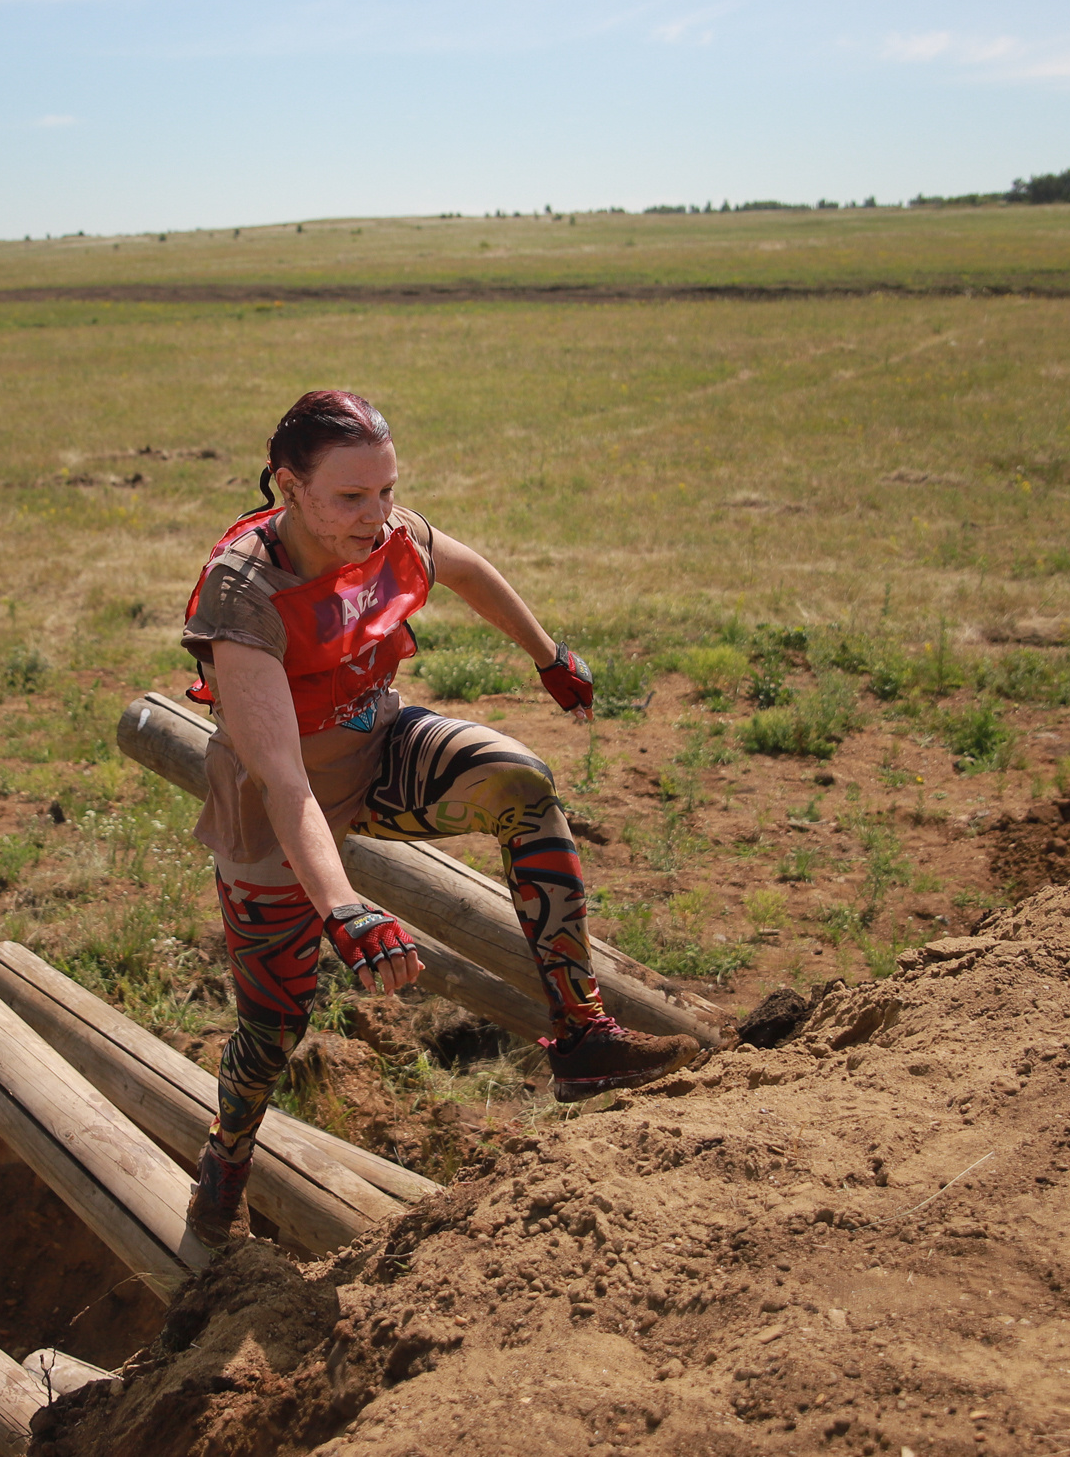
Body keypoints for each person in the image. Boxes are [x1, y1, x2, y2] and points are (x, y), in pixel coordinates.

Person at [175, 390, 700, 1245]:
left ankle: (582, 1036)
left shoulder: (386, 533)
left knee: (518, 781)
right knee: (273, 1028)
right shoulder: (245, 589)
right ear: (288, 486)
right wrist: (344, 906)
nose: (378, 513)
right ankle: (225, 1163)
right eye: (352, 495)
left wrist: (549, 655)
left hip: (377, 748)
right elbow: (282, 780)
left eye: (387, 489)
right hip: (274, 812)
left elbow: (464, 566)